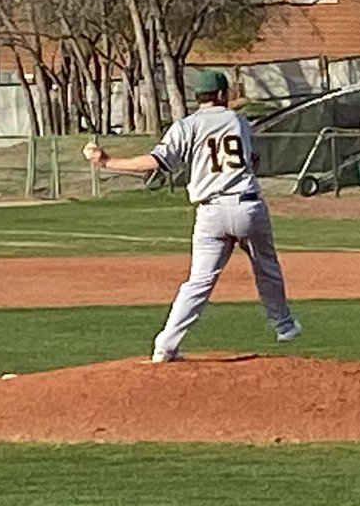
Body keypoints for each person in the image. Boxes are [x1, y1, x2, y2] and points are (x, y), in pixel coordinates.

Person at [82, 69, 302, 361]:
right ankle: (283, 325)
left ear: (198, 97)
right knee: (266, 268)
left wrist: (108, 162)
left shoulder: (186, 126)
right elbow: (254, 159)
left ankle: (165, 346)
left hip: (209, 212)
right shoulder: (238, 121)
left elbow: (155, 162)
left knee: (198, 282)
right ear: (223, 95)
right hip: (247, 205)